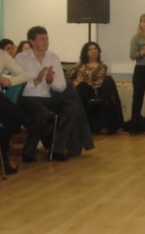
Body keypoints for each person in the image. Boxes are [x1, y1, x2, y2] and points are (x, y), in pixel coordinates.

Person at [15, 26, 91, 162]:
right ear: (32, 42)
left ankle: (57, 149)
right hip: (26, 98)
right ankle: (28, 151)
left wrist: (50, 81)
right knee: (43, 114)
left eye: (47, 38)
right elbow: (16, 84)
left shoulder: (53, 58)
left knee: (72, 108)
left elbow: (61, 86)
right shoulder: (21, 58)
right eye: (42, 39)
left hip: (45, 98)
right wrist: (36, 80)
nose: (46, 42)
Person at [0, 27, 28, 174]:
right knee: (1, 104)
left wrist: (10, 81)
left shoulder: (1, 56)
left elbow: (23, 75)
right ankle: (1, 159)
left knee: (6, 116)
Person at [67, 42, 123, 134]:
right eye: (90, 49)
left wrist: (81, 82)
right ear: (86, 52)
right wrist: (73, 82)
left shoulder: (101, 67)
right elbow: (68, 74)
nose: (93, 51)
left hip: (92, 91)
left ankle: (84, 124)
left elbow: (98, 83)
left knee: (82, 86)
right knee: (74, 88)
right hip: (79, 91)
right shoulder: (80, 65)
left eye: (95, 49)